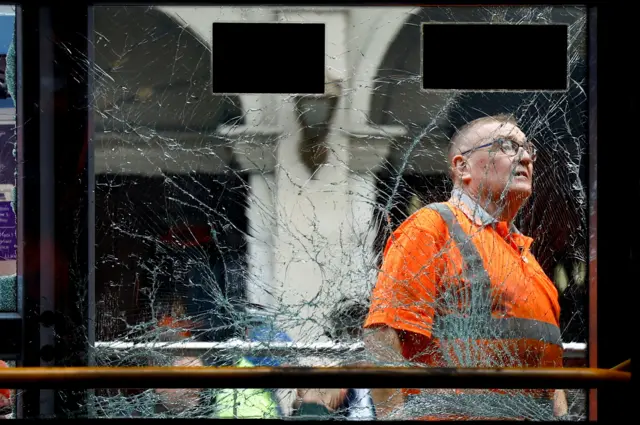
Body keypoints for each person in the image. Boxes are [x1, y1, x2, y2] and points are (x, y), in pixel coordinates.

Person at [363, 114, 568, 420]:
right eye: (508, 146)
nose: (525, 157)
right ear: (462, 167)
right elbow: (382, 340)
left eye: (529, 150)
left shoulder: (523, 253)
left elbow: (550, 367)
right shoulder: (431, 227)